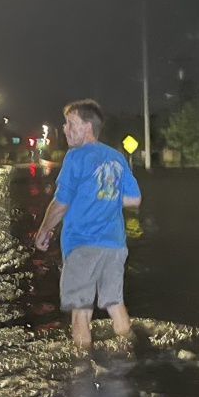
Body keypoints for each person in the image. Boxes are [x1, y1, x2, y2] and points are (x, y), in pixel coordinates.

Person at [35, 99, 142, 348]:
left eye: (71, 123)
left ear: (87, 127)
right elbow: (135, 199)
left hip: (82, 244)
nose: (65, 129)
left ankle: (82, 372)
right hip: (114, 245)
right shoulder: (116, 157)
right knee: (115, 303)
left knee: (80, 311)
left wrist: (44, 230)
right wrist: (104, 198)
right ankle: (131, 354)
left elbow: (60, 204)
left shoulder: (76, 157)